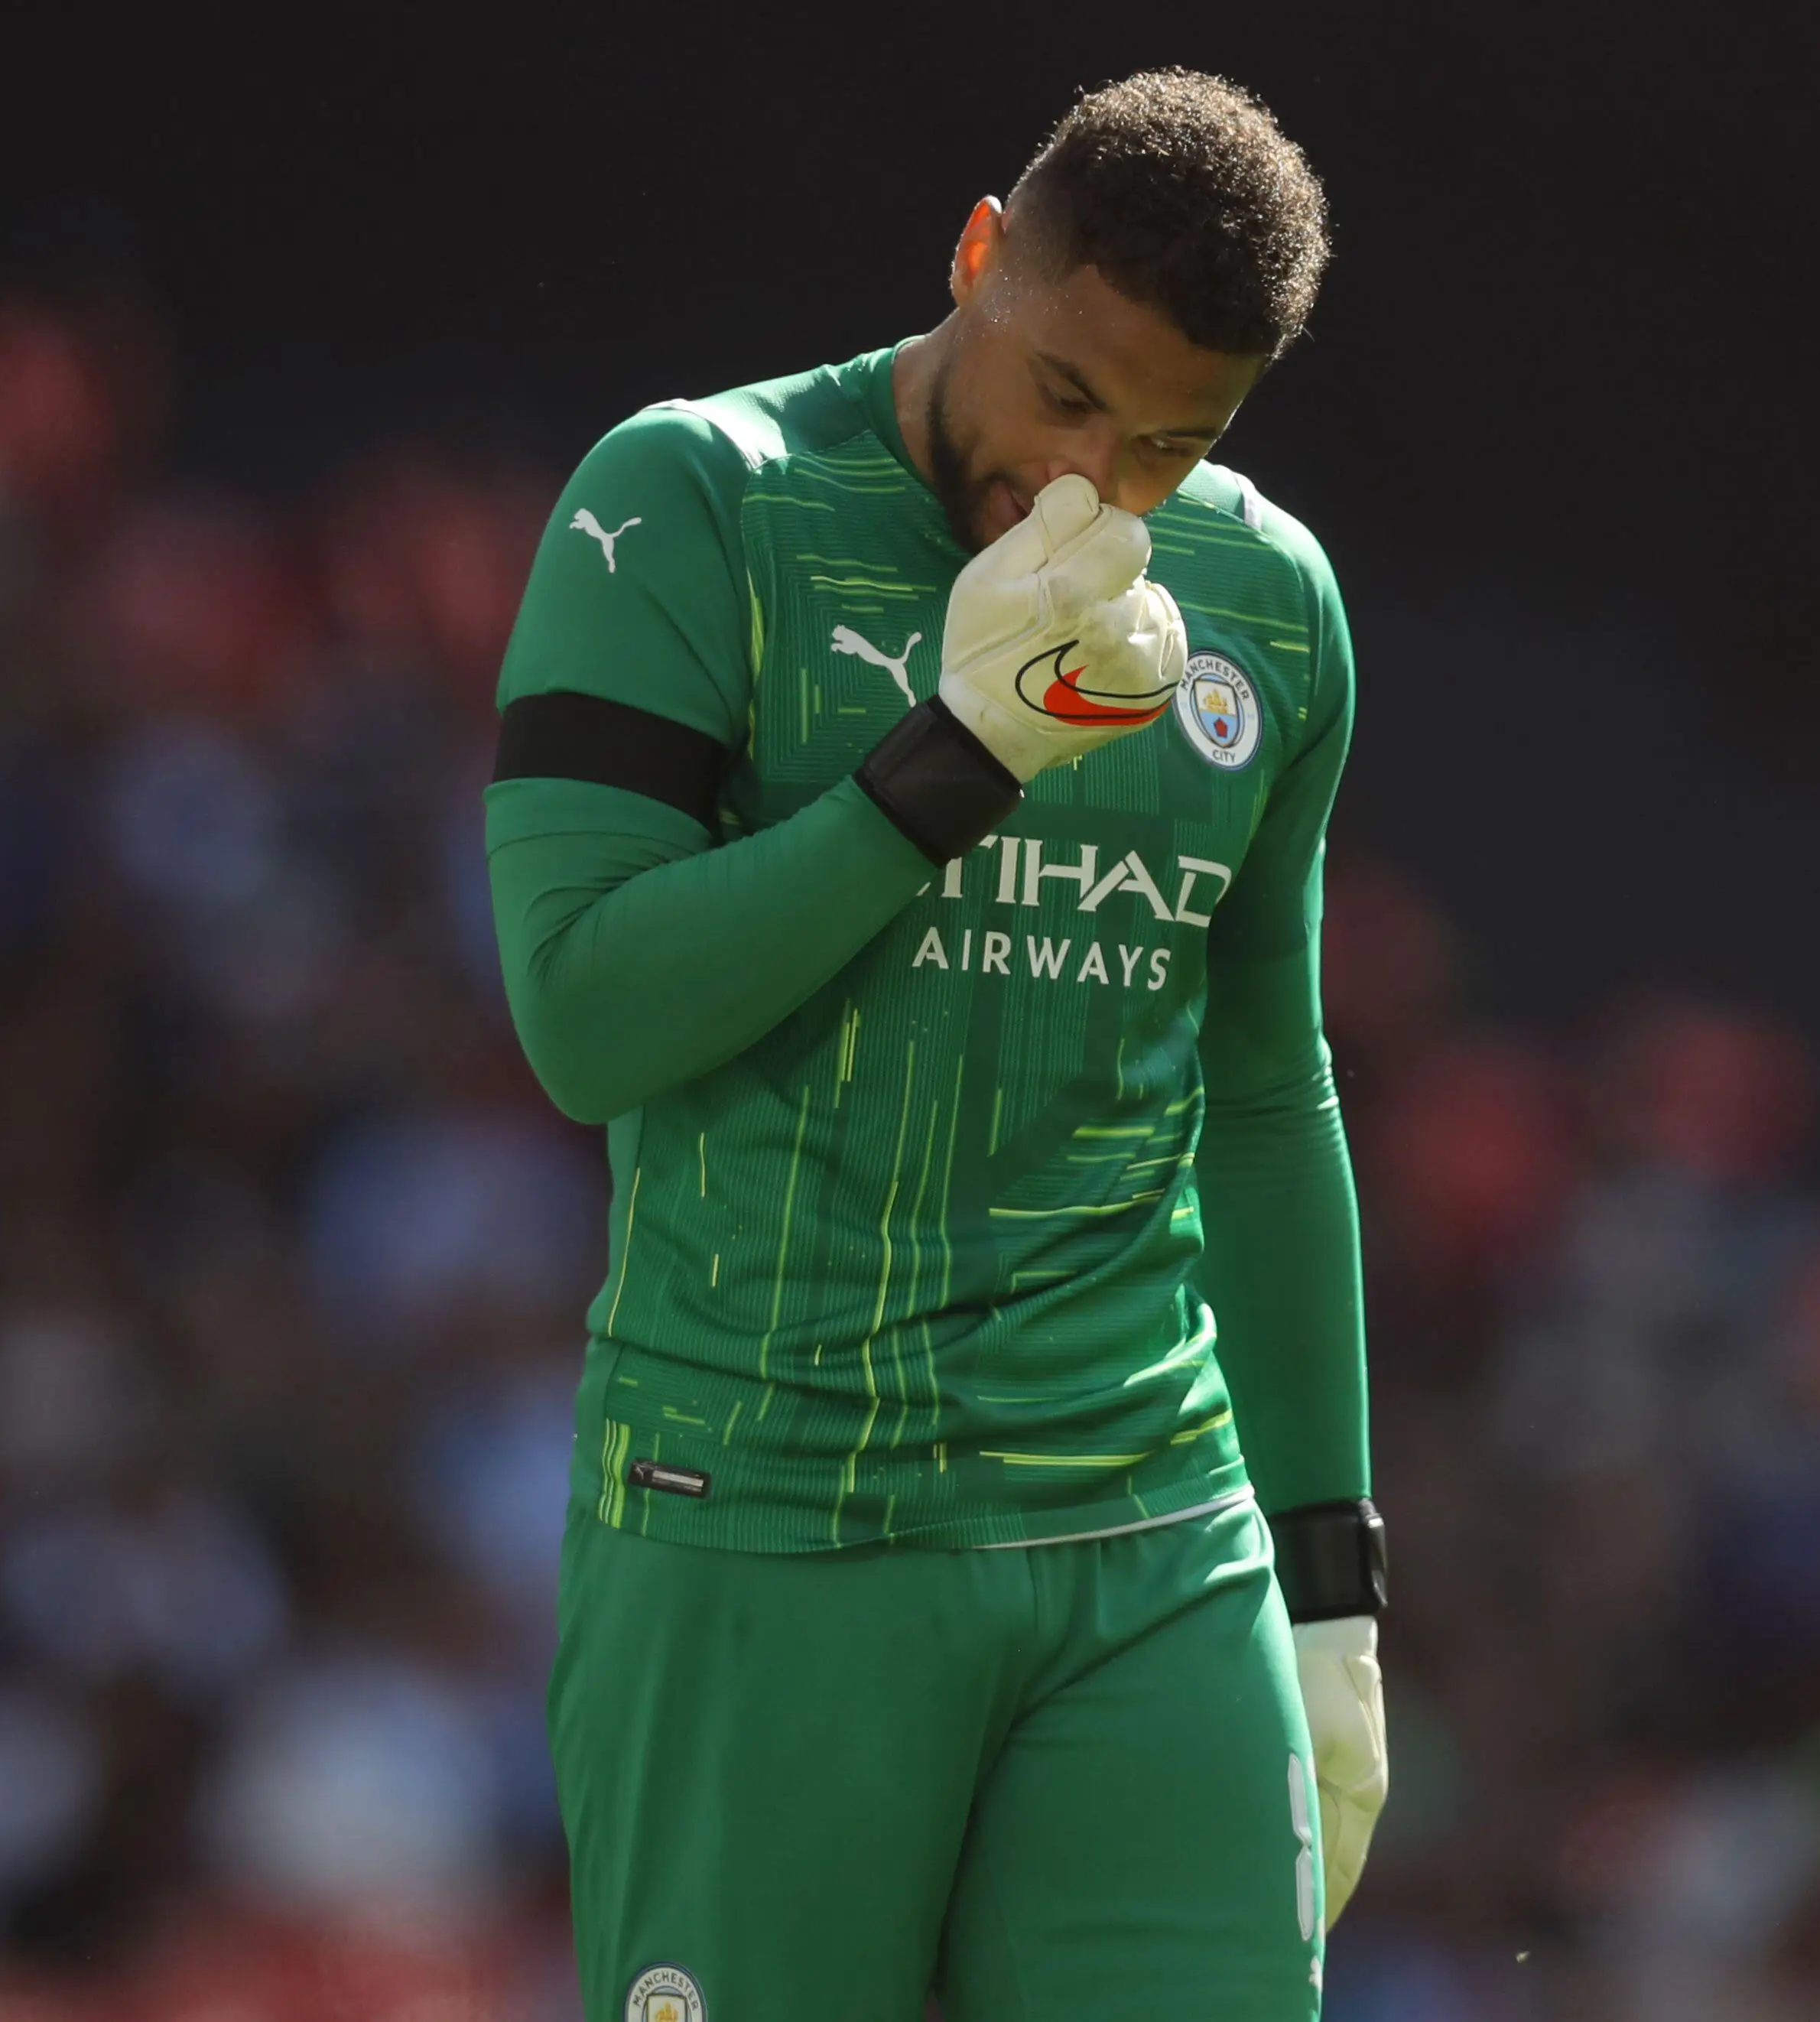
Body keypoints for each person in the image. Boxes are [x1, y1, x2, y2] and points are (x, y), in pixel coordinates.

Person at [483, 70, 1384, 2022]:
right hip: (769, 1505)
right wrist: (954, 764)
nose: (1094, 485)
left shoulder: (1269, 600)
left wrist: (1331, 1585)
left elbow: (1262, 1088)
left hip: (1150, 1529)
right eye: (1064, 395)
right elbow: (582, 1014)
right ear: (979, 258)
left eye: (1171, 440)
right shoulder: (690, 501)